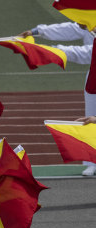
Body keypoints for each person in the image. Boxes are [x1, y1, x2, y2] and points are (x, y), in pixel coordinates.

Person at [18, 23, 96, 176]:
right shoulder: (89, 17)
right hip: (94, 74)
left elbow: (85, 53)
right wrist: (37, 32)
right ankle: (92, 162)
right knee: (90, 119)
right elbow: (70, 29)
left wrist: (49, 49)